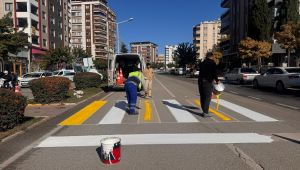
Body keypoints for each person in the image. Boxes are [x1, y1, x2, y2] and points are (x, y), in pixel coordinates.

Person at [198, 52, 219, 117]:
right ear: (211, 56)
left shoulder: (202, 63)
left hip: (200, 81)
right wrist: (217, 80)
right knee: (207, 97)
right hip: (207, 82)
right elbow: (214, 73)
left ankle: (204, 111)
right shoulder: (212, 63)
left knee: (202, 96)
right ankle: (206, 112)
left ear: (206, 56)